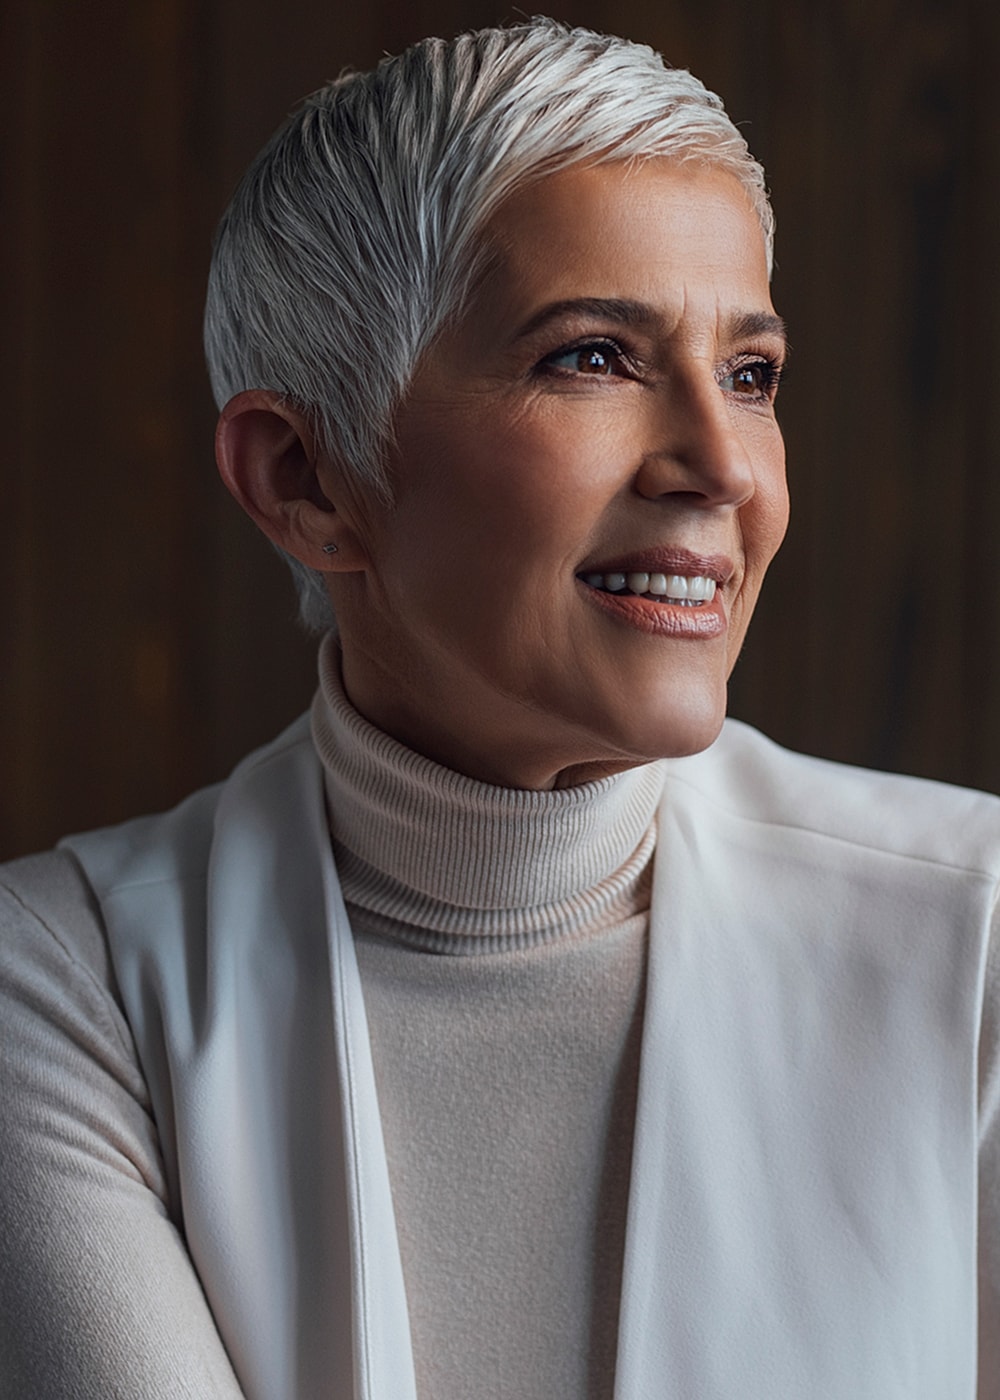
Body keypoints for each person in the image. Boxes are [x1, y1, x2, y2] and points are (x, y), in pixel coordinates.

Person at [1, 17, 998, 1399]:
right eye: (593, 357)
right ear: (304, 478)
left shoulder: (979, 935)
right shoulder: (60, 988)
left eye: (752, 374)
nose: (723, 464)